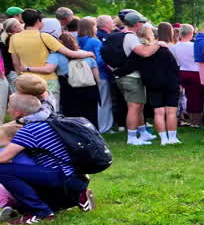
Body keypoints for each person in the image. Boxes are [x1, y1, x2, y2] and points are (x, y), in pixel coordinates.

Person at [0, 93, 93, 225]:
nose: (8, 110)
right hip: (78, 177)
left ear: (18, 112)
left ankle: (42, 213)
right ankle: (78, 197)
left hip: (63, 179)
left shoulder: (30, 130)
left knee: (2, 169)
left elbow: (3, 158)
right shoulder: (49, 120)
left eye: (9, 107)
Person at [10, 9, 93, 113]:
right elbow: (70, 53)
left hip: (26, 80)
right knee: (51, 112)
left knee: (30, 112)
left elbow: (15, 63)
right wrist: (89, 53)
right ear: (38, 21)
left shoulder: (14, 38)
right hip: (48, 82)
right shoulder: (44, 37)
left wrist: (21, 77)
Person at [103, 10, 165, 145]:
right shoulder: (130, 37)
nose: (143, 25)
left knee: (139, 106)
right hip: (131, 77)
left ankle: (143, 133)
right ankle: (132, 138)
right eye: (142, 23)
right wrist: (158, 44)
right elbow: (144, 52)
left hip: (123, 75)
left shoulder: (116, 36)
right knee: (134, 107)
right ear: (137, 24)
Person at [136, 23, 182, 145]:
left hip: (153, 83)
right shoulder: (164, 49)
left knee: (158, 112)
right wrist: (179, 82)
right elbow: (174, 66)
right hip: (170, 82)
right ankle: (172, 137)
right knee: (171, 112)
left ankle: (163, 138)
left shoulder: (141, 52)